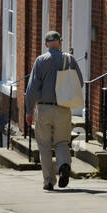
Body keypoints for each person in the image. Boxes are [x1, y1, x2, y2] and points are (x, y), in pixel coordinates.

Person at [25, 31, 82, 191]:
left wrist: (29, 110)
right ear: (60, 42)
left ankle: (49, 181)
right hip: (63, 108)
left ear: (46, 44)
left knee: (44, 145)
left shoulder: (41, 61)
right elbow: (80, 83)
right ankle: (64, 164)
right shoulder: (69, 59)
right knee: (62, 142)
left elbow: (32, 89)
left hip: (44, 107)